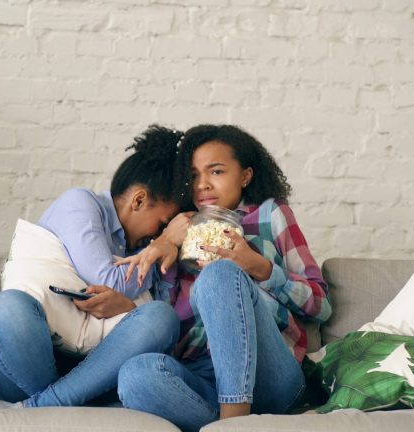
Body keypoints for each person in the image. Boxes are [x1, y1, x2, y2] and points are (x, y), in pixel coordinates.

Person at [115, 124, 332, 432]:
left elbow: (322, 305)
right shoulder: (179, 227)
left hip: (270, 375)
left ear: (245, 175)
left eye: (216, 172)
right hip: (201, 375)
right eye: (193, 176)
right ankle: (233, 423)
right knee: (134, 374)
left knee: (219, 273)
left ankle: (233, 423)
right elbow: (156, 318)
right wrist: (165, 240)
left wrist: (260, 268)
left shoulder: (271, 215)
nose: (202, 184)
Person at [0, 125, 187, 411]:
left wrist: (128, 307)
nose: (158, 234)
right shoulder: (82, 204)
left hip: (97, 374)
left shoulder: (144, 249)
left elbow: (151, 323)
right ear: (139, 200)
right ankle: (52, 405)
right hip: (34, 359)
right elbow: (109, 279)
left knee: (161, 317)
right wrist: (162, 243)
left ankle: (32, 409)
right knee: (7, 308)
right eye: (162, 223)